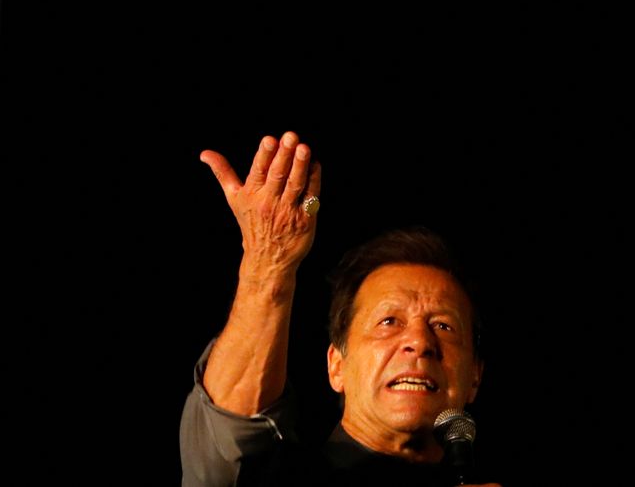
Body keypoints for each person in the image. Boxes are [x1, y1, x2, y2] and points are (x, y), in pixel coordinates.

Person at [179, 130, 502, 486]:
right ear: (337, 366)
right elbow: (232, 437)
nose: (420, 343)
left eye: (443, 326)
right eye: (389, 320)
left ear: (475, 375)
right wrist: (268, 263)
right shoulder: (275, 476)